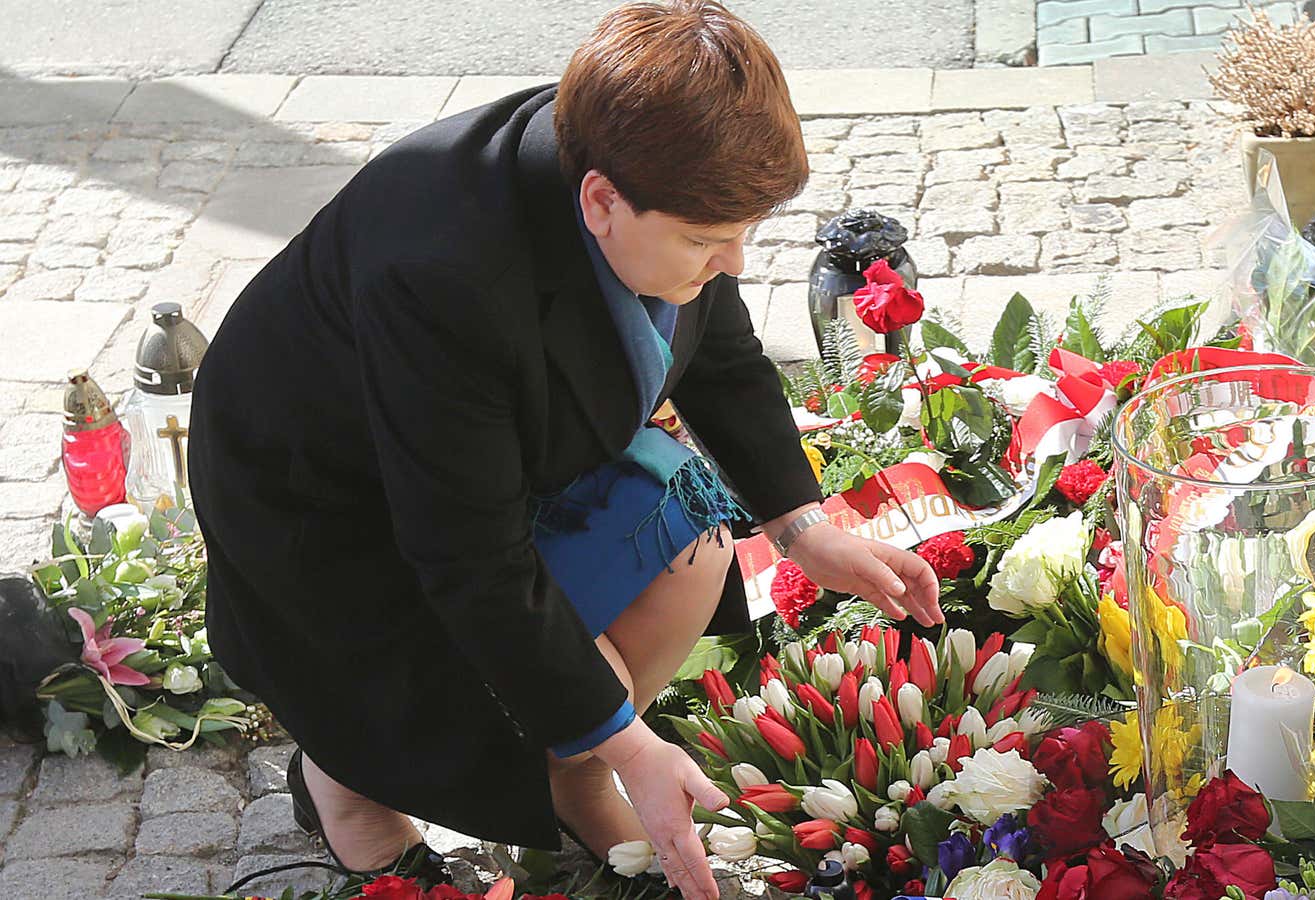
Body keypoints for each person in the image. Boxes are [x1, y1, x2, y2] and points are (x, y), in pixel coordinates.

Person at [187, 2, 942, 897]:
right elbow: (468, 557)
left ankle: (571, 775)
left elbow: (722, 349)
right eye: (707, 239)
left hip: (467, 461)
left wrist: (801, 527)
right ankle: (345, 783)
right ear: (601, 202)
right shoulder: (444, 278)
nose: (735, 262)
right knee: (593, 682)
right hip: (325, 512)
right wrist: (626, 737)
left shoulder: (643, 146)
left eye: (744, 232)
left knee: (692, 557)